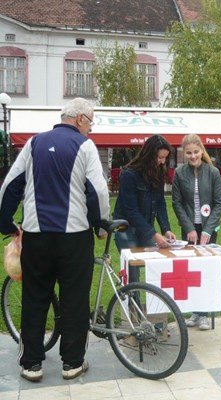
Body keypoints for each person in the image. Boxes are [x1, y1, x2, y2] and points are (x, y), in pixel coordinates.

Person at [0, 98, 110, 382]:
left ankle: (31, 364)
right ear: (80, 119)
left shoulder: (34, 143)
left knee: (35, 297)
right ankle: (72, 363)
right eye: (91, 122)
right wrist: (100, 227)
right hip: (74, 238)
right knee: (75, 300)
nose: (91, 129)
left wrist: (5, 222)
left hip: (36, 236)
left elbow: (10, 185)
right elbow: (98, 192)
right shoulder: (85, 146)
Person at [172, 134, 221, 331]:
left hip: (208, 230)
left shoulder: (212, 172)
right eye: (189, 153)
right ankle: (195, 311)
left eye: (196, 152)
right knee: (190, 271)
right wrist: (189, 229)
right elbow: (176, 203)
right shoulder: (179, 173)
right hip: (190, 229)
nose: (193, 156)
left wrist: (208, 230)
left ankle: (204, 314)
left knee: (205, 270)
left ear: (201, 151)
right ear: (184, 153)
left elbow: (219, 203)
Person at [113, 134, 176, 252]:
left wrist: (166, 229)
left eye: (165, 158)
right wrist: (154, 234)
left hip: (146, 227)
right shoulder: (129, 175)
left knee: (151, 264)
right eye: (159, 157)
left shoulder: (158, 172)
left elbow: (160, 203)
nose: (162, 162)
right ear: (149, 155)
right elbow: (130, 210)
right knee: (132, 266)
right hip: (126, 228)